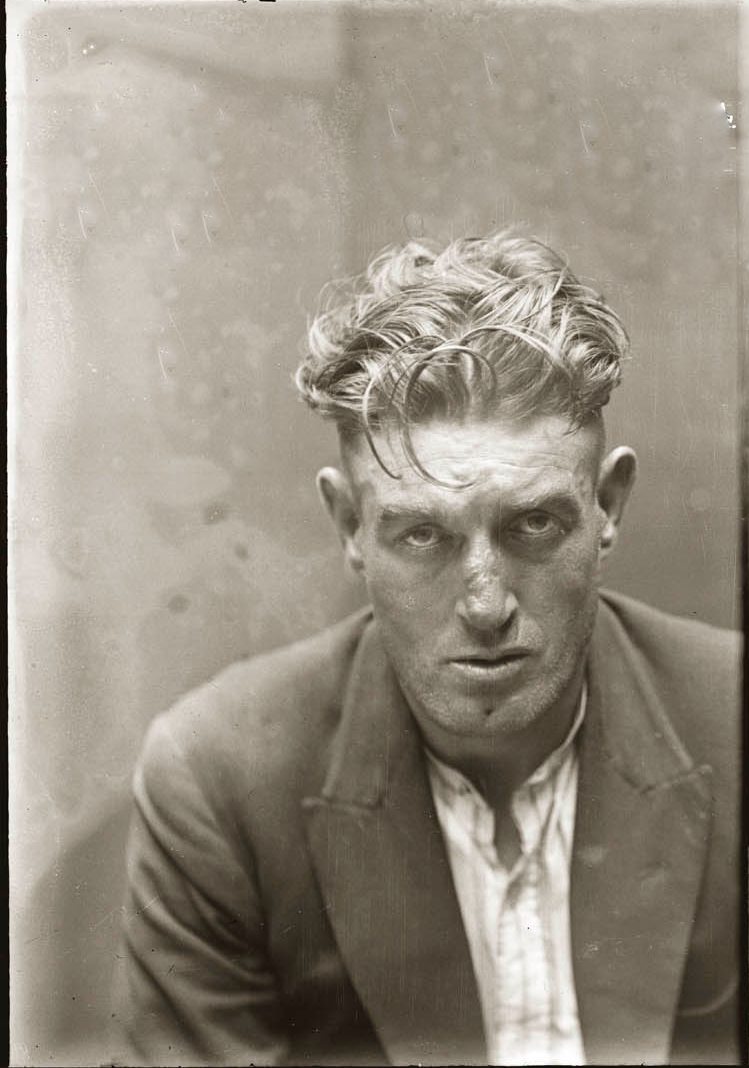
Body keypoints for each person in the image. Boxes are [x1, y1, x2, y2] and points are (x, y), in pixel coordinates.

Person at [112, 232, 741, 1067]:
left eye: (532, 524)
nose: (484, 604)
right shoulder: (219, 778)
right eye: (420, 535)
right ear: (349, 525)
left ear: (607, 505)